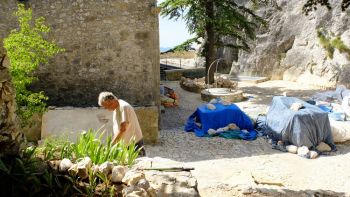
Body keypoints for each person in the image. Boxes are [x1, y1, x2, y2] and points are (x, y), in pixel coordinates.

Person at [98, 92, 146, 156]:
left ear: (110, 101)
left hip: (134, 145)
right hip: (126, 144)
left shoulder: (124, 107)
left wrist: (111, 145)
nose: (107, 109)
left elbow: (122, 129)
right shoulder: (117, 107)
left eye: (106, 106)